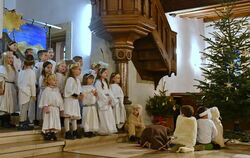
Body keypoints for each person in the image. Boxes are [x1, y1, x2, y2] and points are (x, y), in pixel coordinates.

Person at [39, 74, 64, 140]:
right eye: (53, 80)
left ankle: (52, 133)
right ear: (49, 81)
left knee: (54, 121)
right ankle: (47, 133)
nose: (55, 81)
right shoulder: (47, 90)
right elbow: (44, 98)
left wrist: (61, 108)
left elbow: (60, 99)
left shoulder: (57, 90)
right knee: (48, 120)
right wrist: (45, 106)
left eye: (56, 80)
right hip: (49, 108)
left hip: (55, 108)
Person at [64, 62, 84, 139]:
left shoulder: (77, 80)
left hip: (75, 101)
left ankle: (75, 131)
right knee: (68, 116)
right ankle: (67, 132)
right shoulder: (70, 79)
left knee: (74, 117)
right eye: (78, 69)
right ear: (73, 70)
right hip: (69, 100)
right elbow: (69, 90)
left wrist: (81, 94)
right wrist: (77, 95)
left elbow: (79, 89)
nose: (80, 71)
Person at [95, 68, 117, 135]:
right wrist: (106, 100)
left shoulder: (106, 81)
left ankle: (110, 129)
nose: (106, 74)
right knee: (103, 116)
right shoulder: (98, 82)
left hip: (107, 100)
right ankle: (104, 130)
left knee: (109, 115)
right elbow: (99, 92)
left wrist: (111, 99)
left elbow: (109, 91)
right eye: (105, 72)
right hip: (102, 101)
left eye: (107, 72)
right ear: (100, 73)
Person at [17, 54, 36, 130]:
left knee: (23, 108)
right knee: (24, 108)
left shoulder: (21, 71)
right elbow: (32, 85)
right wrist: (34, 95)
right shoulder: (31, 72)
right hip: (27, 92)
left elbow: (18, 82)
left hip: (21, 91)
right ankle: (22, 123)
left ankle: (23, 121)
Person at [0, 52, 18, 127]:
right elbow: (1, 78)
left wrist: (17, 88)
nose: (11, 59)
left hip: (12, 87)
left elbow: (16, 79)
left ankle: (8, 120)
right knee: (5, 104)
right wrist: (1, 88)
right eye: (9, 58)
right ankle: (4, 121)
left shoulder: (13, 68)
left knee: (10, 104)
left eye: (12, 58)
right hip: (6, 86)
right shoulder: (2, 67)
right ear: (5, 58)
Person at [81, 73, 99, 137]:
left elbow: (96, 96)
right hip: (87, 106)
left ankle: (91, 130)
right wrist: (91, 93)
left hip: (93, 106)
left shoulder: (93, 87)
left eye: (92, 79)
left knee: (92, 119)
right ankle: (86, 131)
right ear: (85, 79)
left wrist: (96, 95)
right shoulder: (83, 87)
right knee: (87, 118)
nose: (92, 80)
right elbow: (84, 96)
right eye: (90, 79)